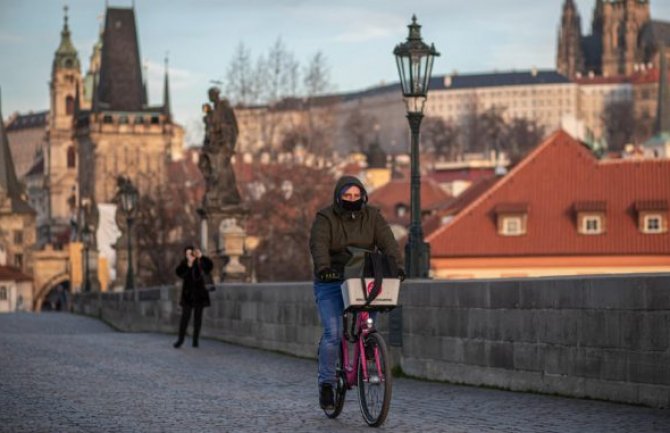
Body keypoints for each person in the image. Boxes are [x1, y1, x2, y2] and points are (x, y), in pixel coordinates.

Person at [309, 175, 405, 410]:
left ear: (363, 196)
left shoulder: (372, 216)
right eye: (346, 196)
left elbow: (388, 243)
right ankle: (328, 385)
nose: (352, 200)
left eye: (356, 196)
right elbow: (318, 245)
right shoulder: (325, 218)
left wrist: (397, 265)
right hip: (332, 279)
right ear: (338, 196)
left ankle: (369, 350)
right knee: (333, 332)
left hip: (363, 278)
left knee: (368, 324)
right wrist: (324, 268)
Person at [174, 246, 213, 348]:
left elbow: (209, 267)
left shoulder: (200, 262)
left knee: (197, 318)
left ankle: (195, 340)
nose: (189, 256)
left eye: (191, 253)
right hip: (188, 295)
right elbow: (179, 273)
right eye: (187, 254)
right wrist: (189, 265)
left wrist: (201, 257)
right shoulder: (185, 264)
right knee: (184, 318)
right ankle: (180, 339)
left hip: (200, 295)